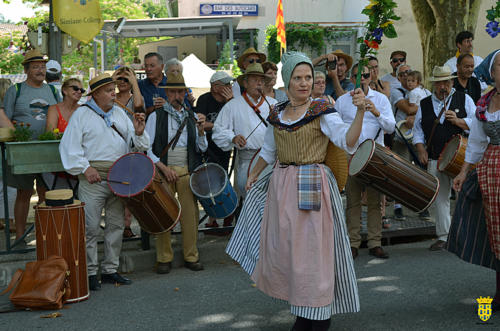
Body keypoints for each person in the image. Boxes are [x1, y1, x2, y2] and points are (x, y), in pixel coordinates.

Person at [226, 51, 362, 330]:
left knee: (313, 256)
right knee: (290, 254)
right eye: (298, 78)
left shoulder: (322, 110)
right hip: (282, 188)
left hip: (313, 185)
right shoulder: (277, 113)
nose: (304, 83)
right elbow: (267, 151)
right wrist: (252, 175)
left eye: (308, 77)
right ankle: (303, 312)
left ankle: (319, 315)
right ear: (287, 82)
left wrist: (360, 111)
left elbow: (346, 141)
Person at [59, 73, 149, 290]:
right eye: (109, 91)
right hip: (93, 179)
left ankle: (110, 270)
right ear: (96, 94)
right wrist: (85, 167)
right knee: (90, 227)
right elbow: (69, 146)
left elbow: (137, 146)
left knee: (116, 225)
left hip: (119, 178)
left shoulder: (120, 113)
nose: (113, 94)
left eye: (113, 90)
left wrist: (138, 133)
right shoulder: (81, 115)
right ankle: (90, 272)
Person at [145, 72, 207, 275]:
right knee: (164, 214)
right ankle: (164, 258)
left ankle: (191, 255)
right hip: (164, 170)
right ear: (167, 93)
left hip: (186, 170)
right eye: (172, 92)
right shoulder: (156, 116)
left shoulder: (191, 116)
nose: (177, 96)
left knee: (190, 215)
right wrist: (163, 169)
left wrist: (200, 132)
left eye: (180, 91)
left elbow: (201, 148)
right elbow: (147, 149)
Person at [452, 49, 500, 311]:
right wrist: (462, 172)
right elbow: (477, 143)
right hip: (491, 171)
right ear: (491, 73)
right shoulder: (484, 103)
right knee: (495, 230)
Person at [413, 65, 475, 251]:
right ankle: (444, 236)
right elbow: (417, 131)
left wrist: (458, 121)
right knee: (440, 199)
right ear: (434, 84)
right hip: (435, 157)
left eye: (446, 82)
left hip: (462, 159)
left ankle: (466, 236)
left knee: (465, 197)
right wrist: (421, 150)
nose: (443, 87)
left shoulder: (465, 99)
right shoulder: (424, 104)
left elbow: (477, 124)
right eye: (439, 83)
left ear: (452, 82)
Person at [337, 63, 396, 259]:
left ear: (370, 77)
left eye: (365, 75)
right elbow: (336, 128)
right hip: (351, 154)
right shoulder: (342, 101)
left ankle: (374, 243)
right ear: (351, 78)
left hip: (374, 155)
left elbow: (391, 127)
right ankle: (353, 243)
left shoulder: (380, 99)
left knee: (375, 201)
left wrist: (376, 112)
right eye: (357, 75)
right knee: (352, 201)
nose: (361, 78)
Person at [3, 49, 60, 243]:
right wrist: (16, 135)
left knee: (47, 193)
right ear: (26, 70)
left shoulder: (52, 91)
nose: (40, 70)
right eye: (35, 67)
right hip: (23, 152)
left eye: (43, 67)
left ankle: (45, 235)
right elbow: (5, 118)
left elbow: (61, 116)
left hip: (48, 151)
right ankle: (19, 236)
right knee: (24, 193)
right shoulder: (16, 90)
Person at [212, 63, 277, 199]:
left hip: (271, 161)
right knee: (250, 199)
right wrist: (233, 138)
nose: (259, 84)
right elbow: (218, 131)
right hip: (246, 160)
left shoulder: (273, 104)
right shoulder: (233, 105)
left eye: (261, 80)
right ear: (246, 83)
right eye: (254, 80)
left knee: (271, 201)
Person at [196, 71, 234, 228]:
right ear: (215, 86)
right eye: (225, 84)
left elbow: (234, 122)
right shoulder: (205, 99)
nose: (229, 87)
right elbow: (200, 124)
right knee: (209, 182)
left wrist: (230, 102)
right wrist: (219, 126)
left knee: (224, 180)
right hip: (207, 147)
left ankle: (227, 214)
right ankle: (212, 219)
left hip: (224, 147)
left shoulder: (230, 102)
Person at [113, 66, 145, 238]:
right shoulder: (111, 98)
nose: (122, 83)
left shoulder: (135, 98)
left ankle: (127, 224)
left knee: (129, 189)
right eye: (120, 79)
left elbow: (139, 107)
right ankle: (117, 225)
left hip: (131, 147)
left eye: (126, 80)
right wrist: (113, 78)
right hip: (113, 147)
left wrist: (134, 81)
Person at [0, 78, 16, 232]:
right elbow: (10, 130)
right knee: (11, 187)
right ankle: (10, 221)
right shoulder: (5, 109)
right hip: (5, 149)